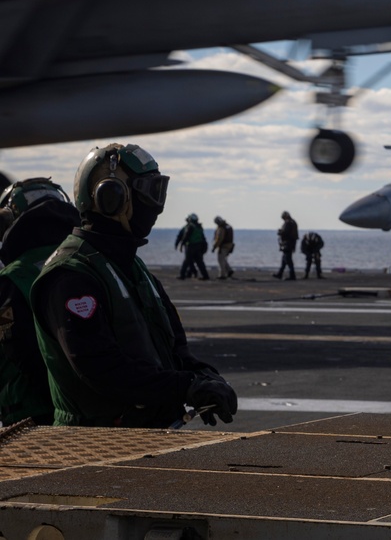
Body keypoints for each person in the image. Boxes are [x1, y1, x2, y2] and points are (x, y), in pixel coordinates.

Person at [30, 143, 238, 428]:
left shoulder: (131, 267)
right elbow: (102, 369)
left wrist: (205, 377)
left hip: (147, 433)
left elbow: (175, 350)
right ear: (111, 198)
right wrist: (186, 386)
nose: (155, 207)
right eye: (148, 193)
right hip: (93, 443)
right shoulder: (71, 276)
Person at [0, 178, 80, 426]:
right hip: (87, 409)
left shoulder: (13, 277)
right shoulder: (85, 263)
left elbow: (17, 349)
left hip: (29, 413)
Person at [175, 213, 209, 280]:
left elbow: (186, 236)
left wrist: (181, 245)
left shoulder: (190, 226)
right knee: (200, 262)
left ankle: (182, 275)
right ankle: (205, 276)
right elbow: (203, 238)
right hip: (199, 246)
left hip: (191, 246)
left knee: (187, 261)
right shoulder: (199, 227)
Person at [274, 211, 298, 280]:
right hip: (291, 243)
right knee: (284, 259)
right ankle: (280, 273)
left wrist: (280, 232)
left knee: (288, 259)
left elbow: (285, 232)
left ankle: (292, 275)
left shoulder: (289, 223)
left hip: (288, 243)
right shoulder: (292, 222)